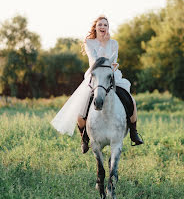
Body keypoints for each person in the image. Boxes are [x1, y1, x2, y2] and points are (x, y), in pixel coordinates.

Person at [51, 15, 143, 153]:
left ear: (108, 28)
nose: (103, 27)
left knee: (131, 100)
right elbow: (95, 62)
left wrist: (107, 45)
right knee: (81, 108)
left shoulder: (114, 43)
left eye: (105, 25)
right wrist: (104, 46)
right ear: (95, 27)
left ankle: (133, 133)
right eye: (100, 24)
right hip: (94, 77)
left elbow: (112, 62)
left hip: (111, 76)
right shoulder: (89, 42)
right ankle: (84, 138)